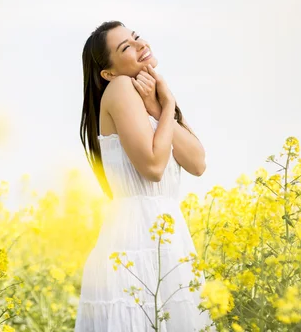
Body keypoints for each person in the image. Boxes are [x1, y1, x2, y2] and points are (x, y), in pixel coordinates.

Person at [75, 21, 213, 331]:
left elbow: (198, 162)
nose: (139, 45)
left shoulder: (148, 100)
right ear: (108, 73)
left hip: (167, 235)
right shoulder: (121, 87)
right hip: (135, 242)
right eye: (125, 47)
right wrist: (167, 106)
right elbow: (153, 167)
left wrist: (157, 107)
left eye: (135, 37)